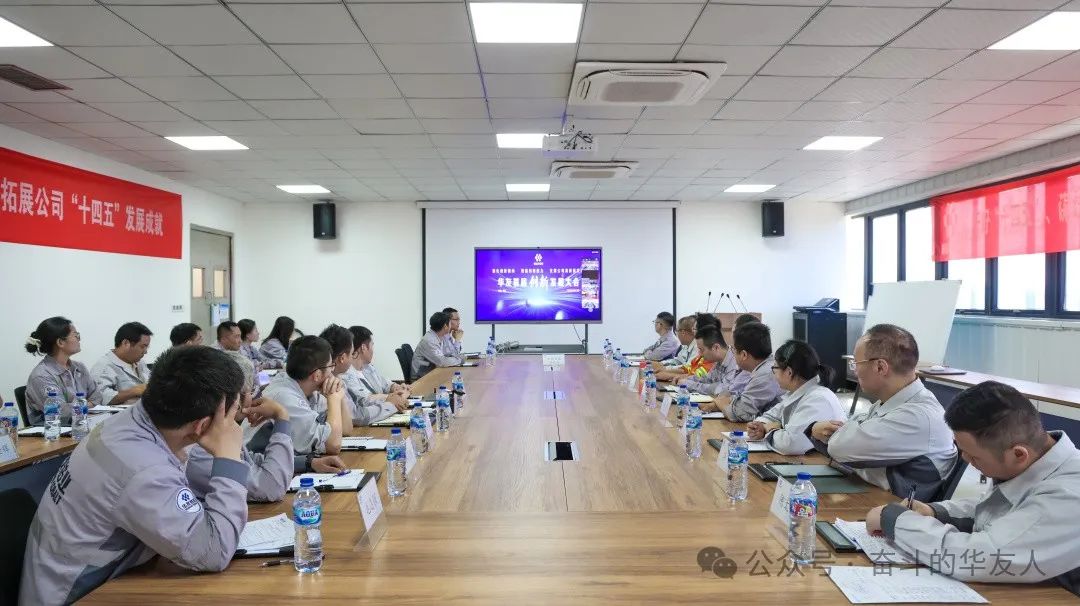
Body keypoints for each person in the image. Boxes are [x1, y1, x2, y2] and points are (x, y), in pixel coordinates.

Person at [19, 346, 250, 605]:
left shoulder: (130, 422)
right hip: (74, 595)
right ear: (202, 425)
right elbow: (214, 551)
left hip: (81, 576)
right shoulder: (143, 469)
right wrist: (229, 455)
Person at [866, 382, 1080, 595]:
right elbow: (1006, 509)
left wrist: (896, 520)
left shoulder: (1068, 496)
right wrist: (936, 512)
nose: (966, 460)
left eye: (974, 456)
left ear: (1018, 454)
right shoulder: (1037, 462)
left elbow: (976, 557)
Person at [807, 324, 957, 500]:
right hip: (876, 496)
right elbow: (852, 435)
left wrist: (819, 430)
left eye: (856, 363)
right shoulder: (890, 402)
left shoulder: (917, 415)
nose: (854, 370)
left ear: (880, 367)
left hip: (898, 509)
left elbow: (840, 448)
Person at [186, 394, 348, 503]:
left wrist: (309, 462)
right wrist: (281, 417)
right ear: (236, 402)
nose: (254, 397)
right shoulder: (201, 451)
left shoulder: (215, 435)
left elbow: (250, 462)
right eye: (251, 391)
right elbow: (271, 487)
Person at [244, 335, 348, 455]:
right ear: (317, 375)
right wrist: (334, 398)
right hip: (253, 464)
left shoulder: (306, 388)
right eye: (331, 366)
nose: (332, 371)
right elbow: (333, 445)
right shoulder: (285, 397)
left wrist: (339, 395)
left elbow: (346, 430)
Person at [746, 340, 846, 455]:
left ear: (789, 372)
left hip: (822, 462)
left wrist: (769, 429)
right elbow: (771, 415)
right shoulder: (796, 393)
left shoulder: (818, 399)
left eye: (775, 368)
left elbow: (791, 444)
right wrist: (760, 426)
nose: (773, 374)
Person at [24, 316, 103, 425]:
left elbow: (97, 398)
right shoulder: (41, 375)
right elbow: (61, 412)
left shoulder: (79, 367)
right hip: (54, 431)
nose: (79, 339)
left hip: (84, 424)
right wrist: (88, 405)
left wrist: (78, 407)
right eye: (76, 335)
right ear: (60, 342)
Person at [320, 324, 398, 426]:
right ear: (342, 358)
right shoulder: (331, 381)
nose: (353, 357)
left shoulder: (335, 377)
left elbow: (356, 405)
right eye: (352, 353)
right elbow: (355, 416)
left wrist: (391, 399)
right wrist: (391, 405)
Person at [704, 322, 782, 420]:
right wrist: (719, 403)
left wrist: (720, 403)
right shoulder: (761, 368)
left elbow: (739, 413)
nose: (732, 353)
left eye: (733, 349)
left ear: (744, 355)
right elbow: (742, 398)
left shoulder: (765, 374)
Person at [343, 325, 410, 424]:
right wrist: (390, 398)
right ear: (363, 347)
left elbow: (385, 384)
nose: (373, 350)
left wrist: (397, 387)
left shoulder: (368, 367)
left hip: (383, 415)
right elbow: (364, 400)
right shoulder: (346, 374)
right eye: (372, 345)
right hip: (368, 423)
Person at [90, 322, 154, 407]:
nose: (145, 352)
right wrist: (134, 391)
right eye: (142, 346)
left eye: (147, 347)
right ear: (126, 343)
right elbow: (100, 398)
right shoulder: (104, 366)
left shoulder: (140, 363)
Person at [680, 325, 747, 397]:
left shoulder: (735, 363)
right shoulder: (718, 360)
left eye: (702, 350)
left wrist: (688, 384)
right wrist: (685, 379)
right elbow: (707, 379)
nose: (700, 354)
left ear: (716, 348)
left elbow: (720, 390)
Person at [412, 311, 464, 379]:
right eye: (450, 323)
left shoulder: (439, 336)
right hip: (420, 378)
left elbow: (449, 355)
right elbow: (442, 361)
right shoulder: (430, 340)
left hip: (430, 372)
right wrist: (460, 360)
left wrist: (456, 358)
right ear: (445, 326)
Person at [216, 321, 255, 393]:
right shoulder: (215, 357)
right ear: (223, 339)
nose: (240, 341)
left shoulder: (237, 350)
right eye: (236, 336)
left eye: (240, 336)